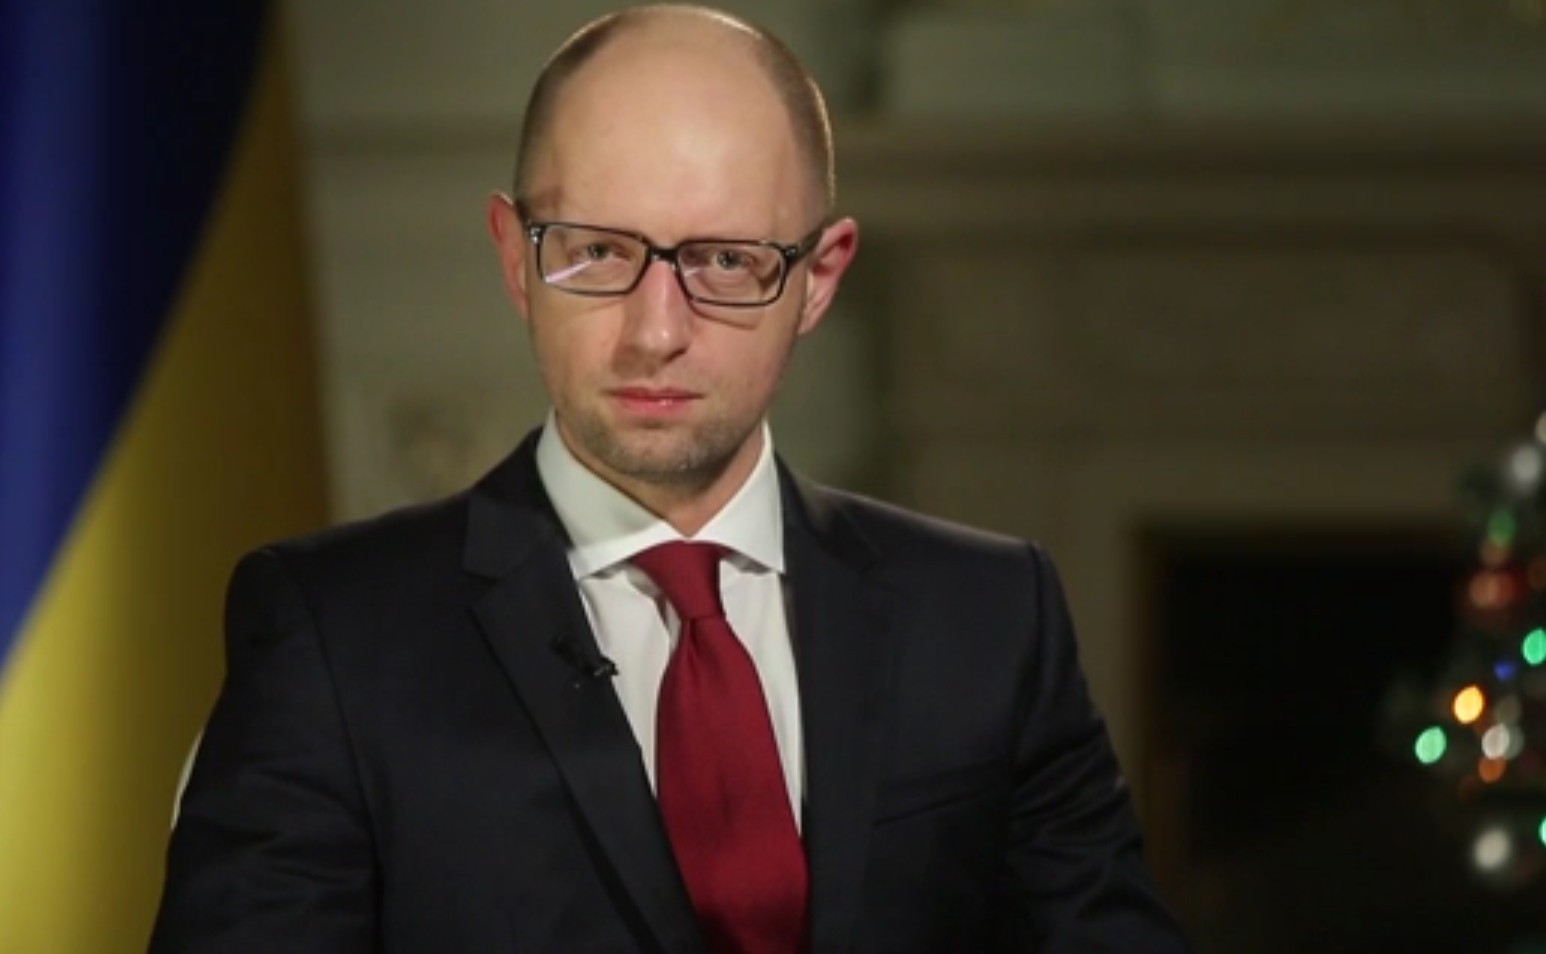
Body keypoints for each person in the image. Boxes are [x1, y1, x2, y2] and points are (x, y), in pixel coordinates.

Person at [149, 5, 1190, 952]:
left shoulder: (990, 618)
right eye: (597, 252)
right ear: (515, 258)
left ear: (818, 278)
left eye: (726, 262)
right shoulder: (334, 640)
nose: (655, 333)